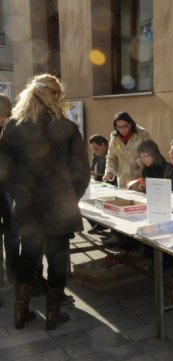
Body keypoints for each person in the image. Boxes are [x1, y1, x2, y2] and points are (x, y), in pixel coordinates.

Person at [0, 74, 90, 330]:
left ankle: (20, 313)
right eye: (59, 94)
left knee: (27, 258)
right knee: (58, 259)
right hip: (59, 208)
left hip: (28, 208)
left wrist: (18, 196)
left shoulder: (13, 126)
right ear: (55, 96)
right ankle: (52, 314)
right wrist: (69, 198)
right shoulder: (67, 127)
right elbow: (82, 173)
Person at [102, 111, 151, 187]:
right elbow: (112, 158)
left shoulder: (142, 135)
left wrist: (138, 163)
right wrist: (109, 172)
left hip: (140, 179)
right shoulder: (115, 138)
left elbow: (151, 153)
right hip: (123, 180)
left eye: (125, 126)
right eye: (119, 127)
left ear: (131, 124)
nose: (123, 130)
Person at [0, 94, 18, 282]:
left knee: (13, 233)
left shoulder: (14, 129)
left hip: (11, 190)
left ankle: (13, 272)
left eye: (3, 115)